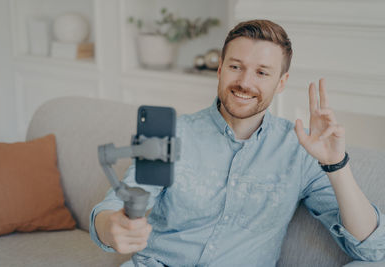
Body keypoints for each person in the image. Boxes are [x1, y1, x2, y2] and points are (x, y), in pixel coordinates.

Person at [90, 20, 385, 266]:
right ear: (219, 69)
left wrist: (336, 165)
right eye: (235, 67)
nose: (245, 82)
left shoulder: (301, 150)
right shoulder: (172, 132)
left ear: (281, 82)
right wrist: (110, 228)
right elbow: (113, 207)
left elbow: (371, 249)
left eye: (262, 72)